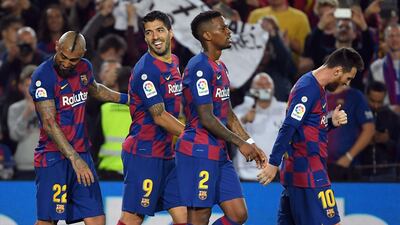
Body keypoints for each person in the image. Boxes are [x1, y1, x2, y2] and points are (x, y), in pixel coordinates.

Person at [175, 11, 266, 225]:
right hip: (198, 151)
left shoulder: (221, 67)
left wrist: (251, 143)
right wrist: (240, 143)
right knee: (200, 217)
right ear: (207, 36)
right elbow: (206, 117)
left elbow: (228, 113)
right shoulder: (198, 67)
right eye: (222, 28)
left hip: (219, 152)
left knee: (238, 215)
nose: (228, 31)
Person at [29, 31, 129, 225]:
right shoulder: (43, 76)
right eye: (63, 57)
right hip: (54, 157)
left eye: (73, 60)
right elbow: (49, 123)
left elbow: (96, 90)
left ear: (83, 54)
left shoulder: (85, 68)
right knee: (48, 221)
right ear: (57, 46)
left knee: (97, 218)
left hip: (82, 154)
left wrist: (128, 100)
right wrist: (74, 159)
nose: (66, 63)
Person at [257, 47, 364, 225]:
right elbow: (289, 126)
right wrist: (274, 162)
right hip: (309, 173)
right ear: (337, 71)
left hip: (300, 171)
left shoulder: (315, 87)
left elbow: (305, 127)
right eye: (348, 78)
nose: (346, 83)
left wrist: (330, 122)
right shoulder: (308, 88)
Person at [117, 11, 187, 225]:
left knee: (186, 217)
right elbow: (159, 116)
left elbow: (176, 104)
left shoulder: (174, 62)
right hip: (144, 154)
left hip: (167, 154)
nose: (155, 37)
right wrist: (194, 136)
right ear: (145, 38)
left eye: (159, 30)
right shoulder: (145, 71)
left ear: (170, 32)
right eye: (149, 33)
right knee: (132, 219)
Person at [233, 72, 286, 181]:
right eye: (259, 85)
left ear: (273, 88)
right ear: (252, 90)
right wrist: (244, 120)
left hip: (275, 172)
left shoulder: (283, 110)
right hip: (246, 174)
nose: (263, 88)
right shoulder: (240, 110)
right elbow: (230, 131)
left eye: (266, 84)